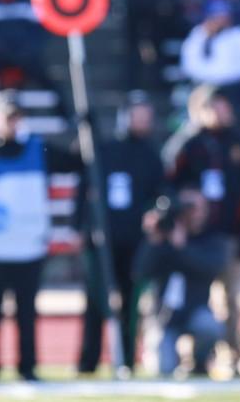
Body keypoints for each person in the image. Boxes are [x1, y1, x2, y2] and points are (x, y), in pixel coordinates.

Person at [0, 91, 78, 382]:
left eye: (17, 117)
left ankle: (27, 367)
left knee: (27, 313)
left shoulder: (40, 148)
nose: (13, 122)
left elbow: (79, 162)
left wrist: (82, 130)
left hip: (30, 245)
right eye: (7, 116)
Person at [165, 88, 240, 364]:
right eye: (213, 107)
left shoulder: (238, 144)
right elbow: (169, 185)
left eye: (223, 106)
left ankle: (232, 356)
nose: (219, 113)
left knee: (229, 299)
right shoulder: (188, 145)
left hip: (226, 234)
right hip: (193, 237)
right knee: (191, 297)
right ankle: (190, 355)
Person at [77, 92, 166, 376]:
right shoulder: (105, 150)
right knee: (96, 300)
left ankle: (126, 358)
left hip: (134, 239)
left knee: (130, 302)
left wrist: (156, 216)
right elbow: (85, 186)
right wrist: (80, 226)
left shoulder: (152, 156)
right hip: (103, 238)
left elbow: (161, 194)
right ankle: (88, 361)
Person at [134, 188, 227, 378]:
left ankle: (200, 362)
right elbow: (139, 271)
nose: (190, 213)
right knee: (164, 369)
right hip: (164, 317)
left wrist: (183, 247)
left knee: (211, 327)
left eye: (194, 207)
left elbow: (211, 268)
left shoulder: (210, 238)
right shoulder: (163, 238)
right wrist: (153, 239)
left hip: (195, 310)